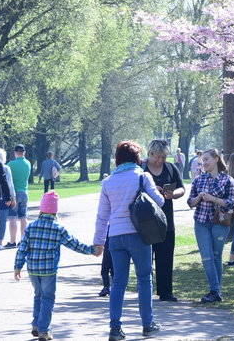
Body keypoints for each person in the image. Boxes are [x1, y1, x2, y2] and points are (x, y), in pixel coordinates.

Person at [93, 141, 166, 340]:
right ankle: (147, 323)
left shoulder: (108, 182)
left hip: (115, 237)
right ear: (136, 158)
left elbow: (102, 215)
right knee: (144, 279)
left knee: (118, 282)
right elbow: (159, 201)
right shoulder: (143, 177)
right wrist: (157, 191)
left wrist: (98, 242)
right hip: (139, 235)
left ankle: (115, 328)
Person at [16, 191, 100, 340]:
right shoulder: (58, 228)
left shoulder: (31, 227)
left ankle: (36, 324)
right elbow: (74, 244)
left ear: (41, 209)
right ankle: (43, 330)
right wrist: (91, 250)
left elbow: (22, 248)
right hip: (48, 270)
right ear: (55, 211)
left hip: (33, 269)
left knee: (38, 295)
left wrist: (17, 266)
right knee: (48, 298)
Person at [187, 148, 234, 304]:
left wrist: (213, 199)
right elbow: (190, 202)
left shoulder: (227, 180)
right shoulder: (198, 180)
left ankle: (215, 291)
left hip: (220, 223)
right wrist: (199, 198)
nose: (204, 163)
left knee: (216, 256)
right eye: (202, 161)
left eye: (207, 159)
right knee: (207, 257)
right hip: (201, 222)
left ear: (216, 159)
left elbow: (231, 203)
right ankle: (215, 290)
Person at [143, 139, 185, 301]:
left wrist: (173, 194)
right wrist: (152, 191)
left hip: (166, 220)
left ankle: (165, 291)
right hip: (145, 220)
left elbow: (181, 187)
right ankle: (146, 290)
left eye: (164, 157)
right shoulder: (141, 168)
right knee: (146, 258)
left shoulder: (170, 168)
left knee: (166, 257)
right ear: (150, 153)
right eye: (158, 157)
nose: (160, 160)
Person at [7, 144, 32, 247]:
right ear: (24, 152)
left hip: (14, 193)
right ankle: (23, 240)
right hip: (24, 192)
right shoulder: (28, 163)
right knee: (23, 217)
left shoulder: (10, 164)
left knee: (13, 217)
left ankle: (12, 241)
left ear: (15, 152)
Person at [0, 147, 16, 246]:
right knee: (2, 221)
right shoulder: (6, 168)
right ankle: (0, 242)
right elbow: (10, 184)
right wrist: (13, 197)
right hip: (4, 197)